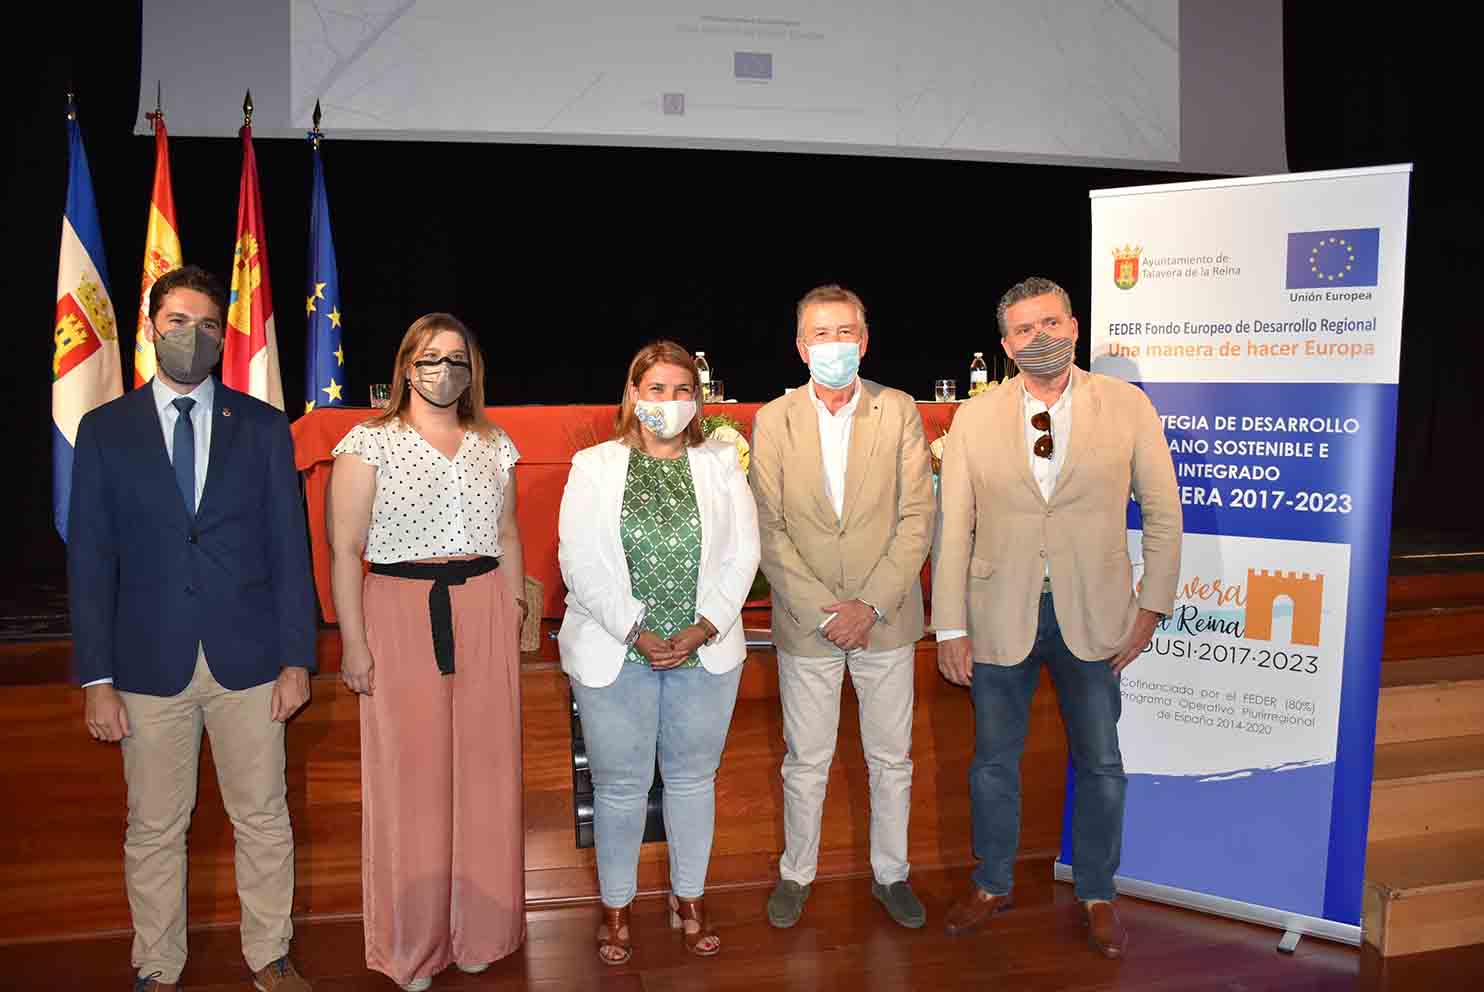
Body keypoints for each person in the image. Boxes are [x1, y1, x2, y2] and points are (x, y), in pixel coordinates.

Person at [68, 265, 317, 992]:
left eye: (208, 324)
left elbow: (288, 551)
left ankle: (270, 956)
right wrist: (97, 678)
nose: (192, 335)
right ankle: (157, 964)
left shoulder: (264, 428)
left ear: (222, 336)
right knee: (153, 828)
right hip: (146, 666)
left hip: (252, 662)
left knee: (264, 818)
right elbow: (91, 560)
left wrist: (298, 658)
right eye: (177, 320)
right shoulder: (105, 431)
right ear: (150, 328)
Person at [932, 276, 1182, 958]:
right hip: (996, 615)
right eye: (1022, 330)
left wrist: (1152, 606)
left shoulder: (1126, 406)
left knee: (1101, 762)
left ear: (1074, 326)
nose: (1037, 339)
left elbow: (1161, 510)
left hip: (1097, 615)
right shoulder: (974, 418)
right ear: (1005, 344)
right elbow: (954, 527)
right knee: (992, 764)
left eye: (1049, 324)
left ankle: (1099, 892)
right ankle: (991, 882)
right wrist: (949, 625)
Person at [328, 314, 527, 991]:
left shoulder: (493, 444)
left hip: (482, 608)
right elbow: (343, 549)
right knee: (409, 780)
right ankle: (411, 944)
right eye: (431, 357)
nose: (445, 370)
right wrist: (353, 642)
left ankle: (482, 931)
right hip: (399, 612)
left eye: (458, 359)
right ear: (406, 364)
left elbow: (507, 532)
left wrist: (515, 609)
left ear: (474, 372)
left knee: (486, 773)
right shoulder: (369, 442)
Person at [557, 341, 760, 964]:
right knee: (619, 787)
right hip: (617, 653)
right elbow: (579, 560)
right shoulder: (593, 466)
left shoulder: (722, 462)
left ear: (697, 400)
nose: (668, 403)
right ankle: (616, 908)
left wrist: (705, 627)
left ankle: (689, 900)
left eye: (681, 391)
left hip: (706, 651)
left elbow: (743, 554)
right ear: (632, 395)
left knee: (693, 781)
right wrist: (634, 630)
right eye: (656, 390)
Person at [749, 284, 935, 930]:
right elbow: (767, 529)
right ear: (801, 347)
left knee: (892, 759)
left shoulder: (900, 409)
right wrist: (827, 609)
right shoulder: (774, 420)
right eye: (822, 334)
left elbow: (917, 518)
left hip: (884, 621)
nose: (836, 344)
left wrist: (870, 606)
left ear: (865, 340)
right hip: (809, 624)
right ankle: (796, 874)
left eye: (846, 332)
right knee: (805, 761)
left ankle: (892, 875)